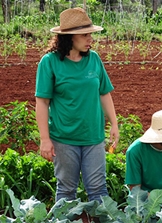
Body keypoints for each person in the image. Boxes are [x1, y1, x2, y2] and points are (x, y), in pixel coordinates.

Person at [35, 7, 119, 205]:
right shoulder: (50, 62)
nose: (90, 39)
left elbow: (104, 93)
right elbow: (42, 102)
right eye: (85, 35)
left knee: (98, 190)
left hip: (93, 137)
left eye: (90, 34)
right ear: (70, 37)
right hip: (64, 139)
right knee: (66, 191)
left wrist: (114, 124)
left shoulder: (94, 59)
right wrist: (45, 139)